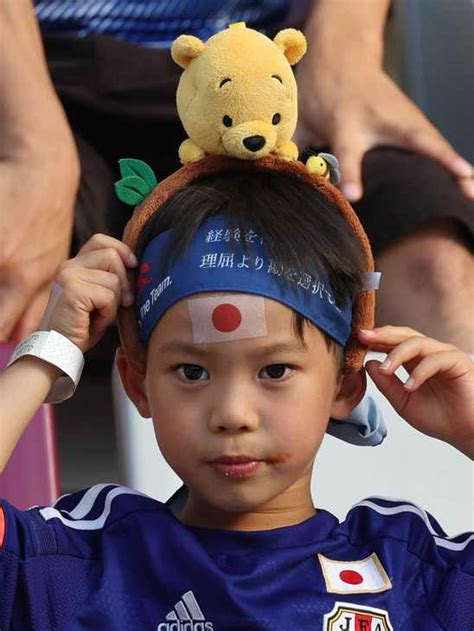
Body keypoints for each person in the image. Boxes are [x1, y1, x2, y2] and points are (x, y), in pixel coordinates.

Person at [1, 164, 473, 629]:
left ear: (345, 386)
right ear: (138, 384)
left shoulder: (412, 573)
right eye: (191, 371)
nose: (232, 414)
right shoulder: (81, 565)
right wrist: (50, 349)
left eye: (275, 370)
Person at [1, 0, 473, 351]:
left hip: (268, 73)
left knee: (436, 265)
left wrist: (345, 49)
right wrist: (31, 145)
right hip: (30, 72)